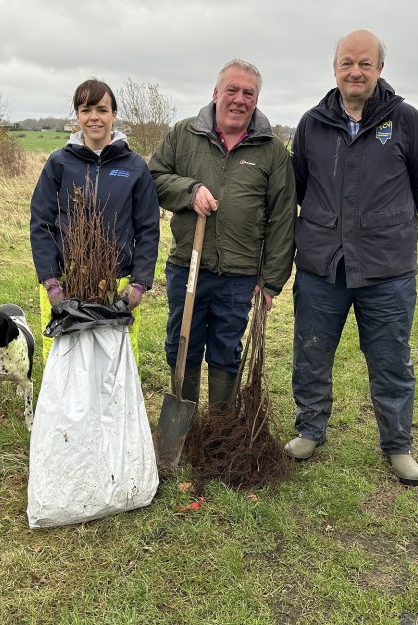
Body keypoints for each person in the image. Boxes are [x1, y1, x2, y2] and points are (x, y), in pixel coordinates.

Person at [286, 29, 418, 486]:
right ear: (335, 69)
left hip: (385, 268)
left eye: (365, 63)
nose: (356, 71)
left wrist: (382, 223)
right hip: (321, 265)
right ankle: (310, 430)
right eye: (347, 63)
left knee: (392, 359)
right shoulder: (312, 123)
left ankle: (397, 445)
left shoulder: (407, 121)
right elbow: (298, 185)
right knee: (311, 353)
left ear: (379, 70)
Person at [149, 59, 296, 413]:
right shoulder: (183, 135)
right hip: (189, 266)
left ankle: (218, 429)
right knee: (182, 342)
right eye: (232, 90)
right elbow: (152, 179)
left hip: (240, 273)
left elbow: (283, 217)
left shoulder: (272, 150)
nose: (239, 99)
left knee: (226, 348)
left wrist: (272, 280)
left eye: (249, 93)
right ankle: (185, 424)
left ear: (256, 100)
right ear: (216, 93)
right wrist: (190, 190)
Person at [30, 79, 160, 360]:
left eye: (102, 109)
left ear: (114, 114)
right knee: (63, 362)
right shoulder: (59, 163)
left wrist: (138, 284)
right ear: (77, 116)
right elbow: (42, 222)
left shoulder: (135, 167)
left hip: (116, 283)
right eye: (86, 109)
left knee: (115, 366)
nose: (94, 117)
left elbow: (148, 228)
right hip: (65, 281)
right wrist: (51, 281)